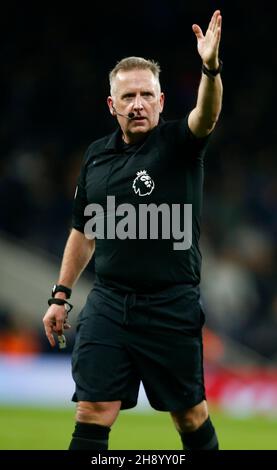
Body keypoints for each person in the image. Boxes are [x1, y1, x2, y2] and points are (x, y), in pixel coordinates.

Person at [43, 9, 223, 451]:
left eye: (147, 94)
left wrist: (210, 67)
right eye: (128, 97)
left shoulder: (180, 145)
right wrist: (61, 295)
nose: (137, 103)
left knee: (190, 416)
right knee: (92, 410)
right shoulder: (96, 158)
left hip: (171, 304)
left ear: (162, 102)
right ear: (112, 105)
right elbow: (84, 231)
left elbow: (207, 114)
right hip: (109, 303)